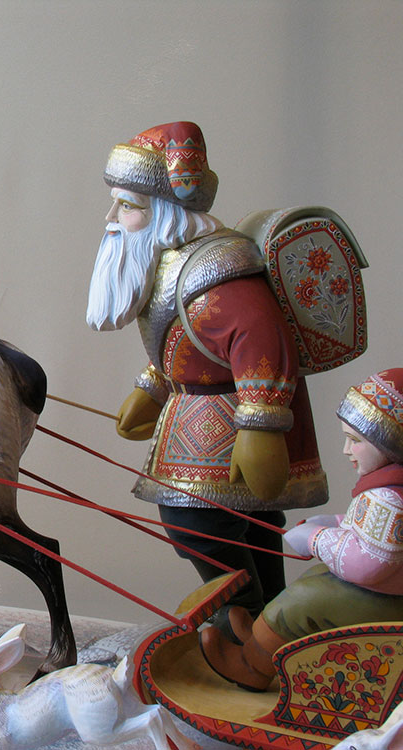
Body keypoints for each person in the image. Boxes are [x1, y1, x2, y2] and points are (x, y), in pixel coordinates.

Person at [87, 122, 328, 634]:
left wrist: (261, 426)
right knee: (246, 524)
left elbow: (260, 338)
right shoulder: (172, 260)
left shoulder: (216, 267)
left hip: (226, 420)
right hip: (194, 412)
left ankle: (242, 615)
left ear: (165, 212)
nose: (112, 219)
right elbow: (185, 338)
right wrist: (153, 386)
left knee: (196, 522)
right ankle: (265, 619)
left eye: (127, 206)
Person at [200, 369, 403, 691]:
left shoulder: (389, 499)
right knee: (316, 578)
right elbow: (375, 533)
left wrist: (315, 538)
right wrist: (335, 523)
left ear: (391, 444)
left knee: (304, 599)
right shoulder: (389, 492)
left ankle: (252, 666)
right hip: (390, 589)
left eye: (355, 441)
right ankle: (261, 641)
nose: (346, 450)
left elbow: (368, 563)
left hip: (390, 599)